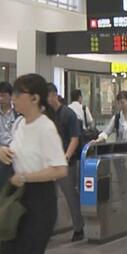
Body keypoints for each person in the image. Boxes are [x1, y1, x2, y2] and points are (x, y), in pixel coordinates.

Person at [0, 74, 71, 254]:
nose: (13, 98)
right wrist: (3, 152)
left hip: (39, 201)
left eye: (18, 94)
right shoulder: (19, 123)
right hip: (19, 198)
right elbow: (13, 150)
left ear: (35, 98)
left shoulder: (45, 128)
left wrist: (27, 177)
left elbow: (59, 169)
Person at [47, 83, 85, 242]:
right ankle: (49, 227)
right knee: (48, 197)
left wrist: (66, 157)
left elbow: (74, 138)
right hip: (50, 163)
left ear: (55, 95)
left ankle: (78, 227)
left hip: (66, 164)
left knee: (70, 195)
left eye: (47, 96)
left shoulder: (68, 114)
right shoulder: (47, 115)